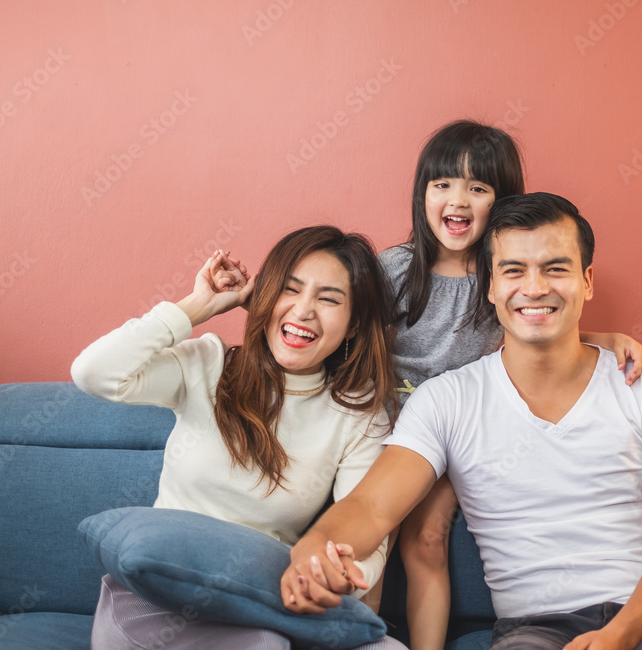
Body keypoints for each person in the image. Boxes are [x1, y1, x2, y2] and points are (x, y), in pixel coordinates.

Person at [281, 194, 642, 650]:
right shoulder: (446, 401)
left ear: (587, 280)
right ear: (491, 286)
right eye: (514, 270)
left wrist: (618, 635)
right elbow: (371, 507)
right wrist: (313, 549)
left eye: (555, 268)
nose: (534, 288)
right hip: (534, 632)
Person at [381, 121, 642, 650]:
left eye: (477, 188)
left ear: (502, 203)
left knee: (431, 533)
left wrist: (606, 336)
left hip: (467, 431)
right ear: (422, 194)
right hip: (401, 429)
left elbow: (540, 328)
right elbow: (336, 324)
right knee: (405, 537)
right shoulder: (395, 269)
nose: (457, 200)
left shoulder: (506, 276)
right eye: (442, 184)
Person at [71, 226, 406, 650]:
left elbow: (364, 525)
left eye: (328, 298)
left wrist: (341, 574)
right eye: (289, 289)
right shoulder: (207, 364)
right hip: (157, 598)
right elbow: (94, 373)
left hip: (261, 601)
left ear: (355, 322)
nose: (303, 311)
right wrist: (197, 307)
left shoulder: (359, 413)